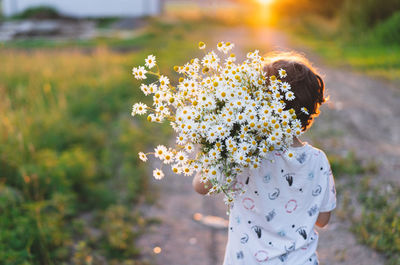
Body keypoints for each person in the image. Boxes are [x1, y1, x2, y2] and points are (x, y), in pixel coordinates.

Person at [192, 52, 336, 265]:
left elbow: (200, 185)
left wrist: (209, 146)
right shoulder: (318, 160)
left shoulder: (241, 153)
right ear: (310, 110)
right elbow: (323, 220)